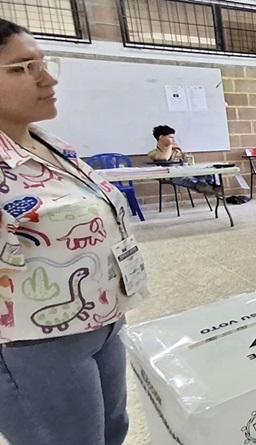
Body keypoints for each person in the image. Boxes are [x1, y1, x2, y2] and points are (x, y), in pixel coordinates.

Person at [0, 19, 146, 445]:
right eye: (21, 68)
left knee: (112, 430)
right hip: (33, 342)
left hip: (101, 319)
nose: (48, 79)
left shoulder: (49, 145)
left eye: (43, 63)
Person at [147, 124, 217, 194]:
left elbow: (186, 164)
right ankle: (203, 187)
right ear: (161, 137)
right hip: (171, 175)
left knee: (207, 173)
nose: (173, 140)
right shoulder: (153, 153)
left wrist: (184, 159)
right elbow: (164, 158)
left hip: (184, 172)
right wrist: (170, 146)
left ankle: (212, 187)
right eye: (171, 137)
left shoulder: (175, 151)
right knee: (183, 178)